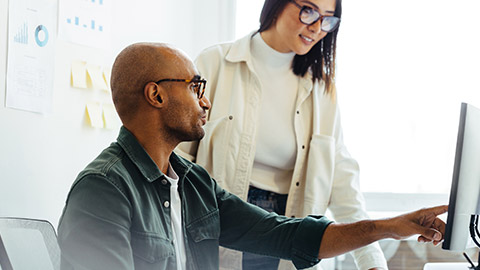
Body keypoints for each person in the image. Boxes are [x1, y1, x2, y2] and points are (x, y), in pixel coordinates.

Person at [57, 42, 447, 270]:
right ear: (156, 95)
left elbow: (285, 234)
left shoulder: (193, 183)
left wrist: (390, 227)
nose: (206, 100)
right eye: (196, 87)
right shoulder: (104, 188)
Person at [175, 0, 385, 269]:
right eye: (308, 11)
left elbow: (343, 183)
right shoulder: (215, 63)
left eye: (328, 19)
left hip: (291, 226)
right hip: (225, 219)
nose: (317, 27)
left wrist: (372, 262)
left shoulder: (321, 89)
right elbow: (176, 158)